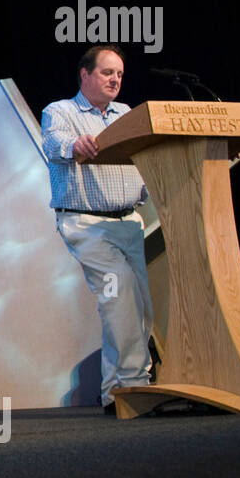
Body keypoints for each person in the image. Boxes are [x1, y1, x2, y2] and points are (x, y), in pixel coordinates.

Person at [41, 45, 153, 412]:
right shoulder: (61, 111)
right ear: (85, 75)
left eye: (119, 74)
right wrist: (76, 144)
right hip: (86, 223)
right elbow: (55, 145)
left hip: (130, 222)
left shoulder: (126, 114)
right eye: (107, 73)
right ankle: (136, 388)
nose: (115, 80)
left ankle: (113, 392)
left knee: (138, 308)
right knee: (118, 297)